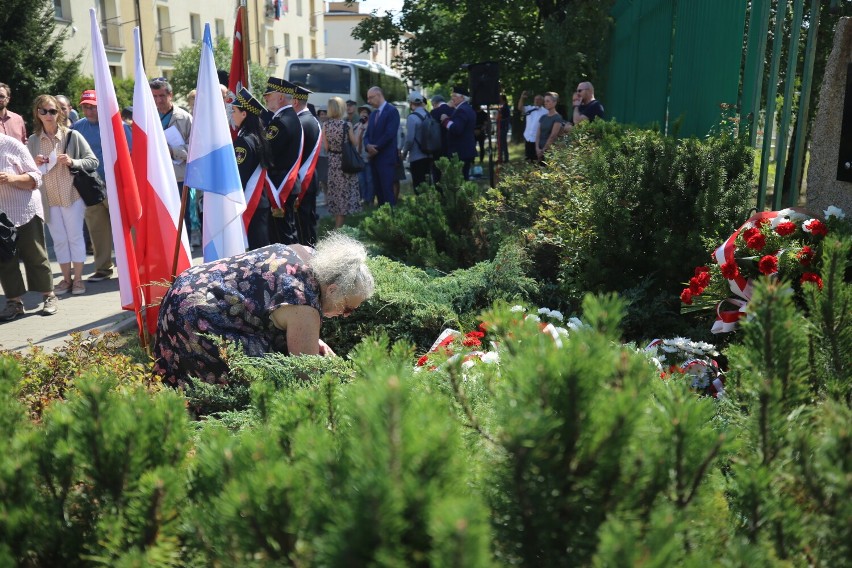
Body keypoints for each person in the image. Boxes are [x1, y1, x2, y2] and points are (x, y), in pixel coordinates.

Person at [152, 232, 374, 388]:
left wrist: (312, 338)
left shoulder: (306, 255)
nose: (346, 316)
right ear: (333, 289)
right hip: (198, 315)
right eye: (347, 309)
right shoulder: (304, 306)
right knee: (259, 378)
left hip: (184, 287)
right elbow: (306, 375)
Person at [27, 95, 99, 296]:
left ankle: (77, 280)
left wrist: (73, 161)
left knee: (75, 237)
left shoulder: (71, 136)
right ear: (37, 113)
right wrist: (34, 162)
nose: (48, 115)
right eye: (44, 111)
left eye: (52, 111)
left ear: (59, 112)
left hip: (72, 195)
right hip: (48, 198)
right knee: (59, 240)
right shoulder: (33, 141)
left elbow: (93, 161)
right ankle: (65, 280)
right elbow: (25, 170)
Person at [72, 89, 133, 282]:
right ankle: (103, 268)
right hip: (90, 187)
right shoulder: (77, 128)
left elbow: (130, 154)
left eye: (93, 107)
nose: (89, 111)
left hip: (116, 185)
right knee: (97, 229)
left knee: (126, 228)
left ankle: (132, 266)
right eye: (85, 107)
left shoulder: (119, 126)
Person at [0, 134, 57, 320]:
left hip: (25, 210)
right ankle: (14, 303)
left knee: (35, 255)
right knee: (5, 260)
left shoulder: (11, 145)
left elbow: (36, 177)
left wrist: (11, 178)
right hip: (2, 215)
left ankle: (49, 296)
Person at [149, 78, 193, 242]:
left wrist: (173, 151)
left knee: (182, 217)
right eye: (154, 96)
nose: (158, 100)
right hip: (155, 177)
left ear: (170, 95)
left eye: (162, 95)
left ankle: (184, 253)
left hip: (179, 177)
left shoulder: (185, 118)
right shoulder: (147, 118)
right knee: (159, 218)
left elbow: (196, 150)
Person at [262, 77, 303, 244]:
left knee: (281, 235)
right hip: (287, 183)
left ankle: (288, 268)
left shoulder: (280, 123)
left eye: (269, 95)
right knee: (288, 230)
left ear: (280, 97)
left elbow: (266, 152)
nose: (265, 98)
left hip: (280, 185)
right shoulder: (290, 117)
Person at [231, 87, 272, 250]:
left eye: (234, 110)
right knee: (261, 248)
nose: (232, 114)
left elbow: (239, 176)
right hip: (259, 201)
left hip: (250, 201)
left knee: (256, 250)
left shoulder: (244, 141)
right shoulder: (257, 137)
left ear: (244, 114)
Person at [323, 97, 362, 228]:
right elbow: (354, 143)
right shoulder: (347, 125)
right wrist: (359, 131)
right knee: (344, 193)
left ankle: (337, 224)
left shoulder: (325, 125)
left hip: (333, 163)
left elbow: (326, 148)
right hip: (345, 162)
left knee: (335, 192)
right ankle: (338, 228)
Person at [293, 84, 322, 246]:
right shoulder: (313, 120)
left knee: (302, 226)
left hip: (302, 179)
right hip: (310, 178)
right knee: (308, 223)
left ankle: (308, 263)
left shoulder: (300, 123)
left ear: (295, 101)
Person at [363, 86, 401, 207]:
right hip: (374, 159)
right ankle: (381, 219)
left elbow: (389, 134)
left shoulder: (392, 111)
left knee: (387, 190)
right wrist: (368, 145)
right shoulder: (373, 114)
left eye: (370, 98)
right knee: (379, 191)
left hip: (386, 158)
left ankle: (391, 218)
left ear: (379, 95)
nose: (368, 101)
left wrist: (376, 148)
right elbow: (367, 135)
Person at [440, 86, 477, 181]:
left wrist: (445, 120)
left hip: (460, 151)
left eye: (455, 96)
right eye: (452, 95)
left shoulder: (462, 110)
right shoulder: (466, 108)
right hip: (464, 150)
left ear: (462, 98)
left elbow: (456, 129)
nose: (452, 98)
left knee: (459, 180)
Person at [401, 91, 431, 191]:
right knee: (428, 184)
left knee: (418, 185)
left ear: (411, 103)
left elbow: (409, 139)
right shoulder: (429, 115)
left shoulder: (412, 118)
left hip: (416, 156)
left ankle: (421, 205)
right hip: (429, 154)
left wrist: (404, 153)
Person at [517, 91, 547, 162]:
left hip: (538, 139)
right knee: (529, 159)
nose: (536, 101)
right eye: (535, 99)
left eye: (539, 99)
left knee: (538, 159)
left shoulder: (545, 112)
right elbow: (520, 107)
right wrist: (522, 98)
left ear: (542, 101)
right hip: (528, 137)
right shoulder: (530, 109)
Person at [353, 104, 374, 205]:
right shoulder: (357, 126)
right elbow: (354, 141)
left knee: (369, 179)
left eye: (365, 112)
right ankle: (363, 198)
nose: (363, 114)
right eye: (361, 112)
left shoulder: (372, 126)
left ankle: (370, 199)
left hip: (368, 156)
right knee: (361, 180)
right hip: (359, 157)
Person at [536, 92, 564, 162]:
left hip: (550, 152)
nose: (545, 103)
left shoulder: (557, 117)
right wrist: (537, 149)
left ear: (554, 103)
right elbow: (538, 134)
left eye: (548, 101)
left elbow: (553, 136)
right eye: (545, 101)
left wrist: (543, 151)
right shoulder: (543, 117)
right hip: (539, 150)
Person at [429, 94, 452, 184]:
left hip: (438, 146)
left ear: (434, 103)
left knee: (437, 172)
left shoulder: (434, 112)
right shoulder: (453, 110)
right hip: (451, 146)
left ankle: (439, 192)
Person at [498, 94, 511, 163]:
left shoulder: (505, 108)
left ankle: (505, 158)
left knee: (503, 143)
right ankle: (501, 158)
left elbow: (506, 118)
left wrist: (500, 120)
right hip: (501, 127)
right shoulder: (503, 107)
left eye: (500, 98)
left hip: (503, 127)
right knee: (501, 143)